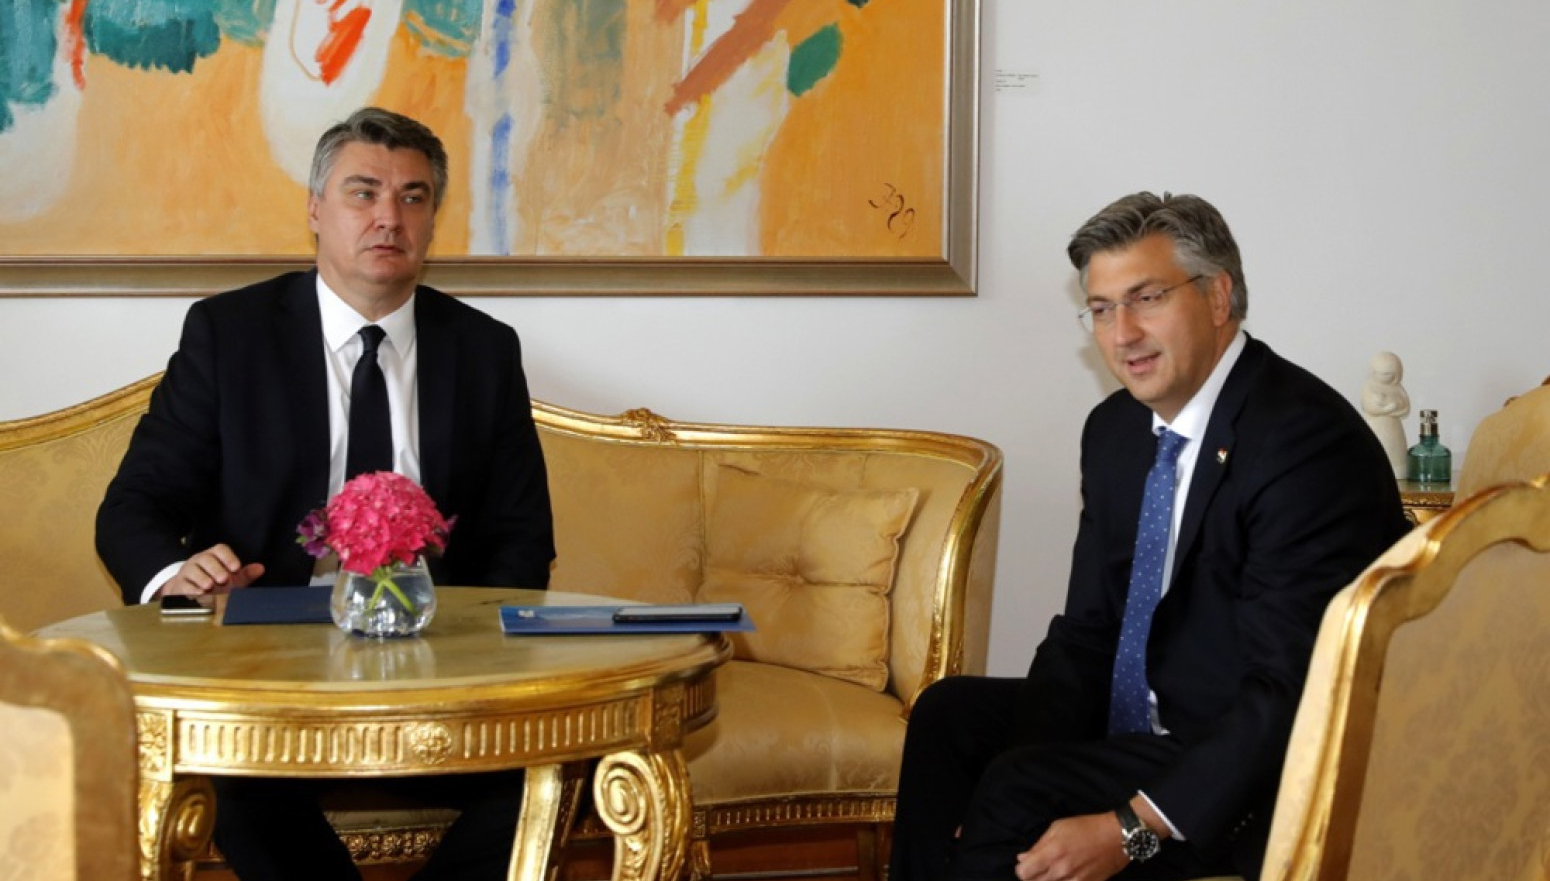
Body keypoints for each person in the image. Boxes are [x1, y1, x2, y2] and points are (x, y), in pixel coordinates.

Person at [889, 192, 1409, 881]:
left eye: (1147, 298)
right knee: (950, 719)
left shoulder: (1302, 441)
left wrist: (1130, 827)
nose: (1122, 333)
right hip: (1147, 722)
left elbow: (1292, 690)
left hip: (1254, 765)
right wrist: (1009, 767)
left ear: (1217, 296)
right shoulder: (1115, 432)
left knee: (1017, 793)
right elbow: (1086, 633)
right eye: (1102, 309)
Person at [96, 107, 555, 881]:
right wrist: (175, 575)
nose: (388, 217)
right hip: (265, 677)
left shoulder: (483, 349)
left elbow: (522, 535)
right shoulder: (229, 334)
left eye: (413, 197)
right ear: (315, 208)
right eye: (363, 192)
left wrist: (474, 642)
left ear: (433, 221)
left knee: (558, 775)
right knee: (224, 774)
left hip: (439, 676)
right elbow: (134, 506)